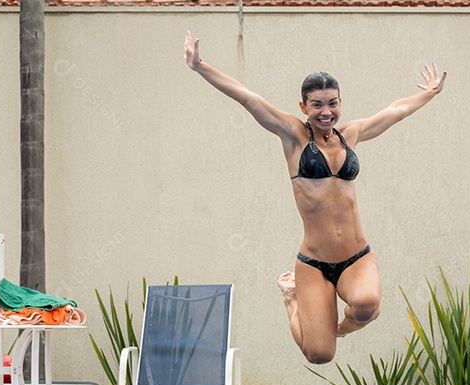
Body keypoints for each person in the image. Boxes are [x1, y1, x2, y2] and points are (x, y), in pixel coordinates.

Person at [184, 31, 446, 364]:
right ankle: (292, 300)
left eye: (332, 103)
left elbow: (395, 111)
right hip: (313, 264)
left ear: (340, 102)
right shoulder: (293, 135)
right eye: (317, 104)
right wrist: (200, 66)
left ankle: (341, 328)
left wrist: (430, 94)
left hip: (356, 257)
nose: (326, 111)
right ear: (303, 106)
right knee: (319, 354)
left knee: (365, 305)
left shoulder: (351, 134)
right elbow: (247, 97)